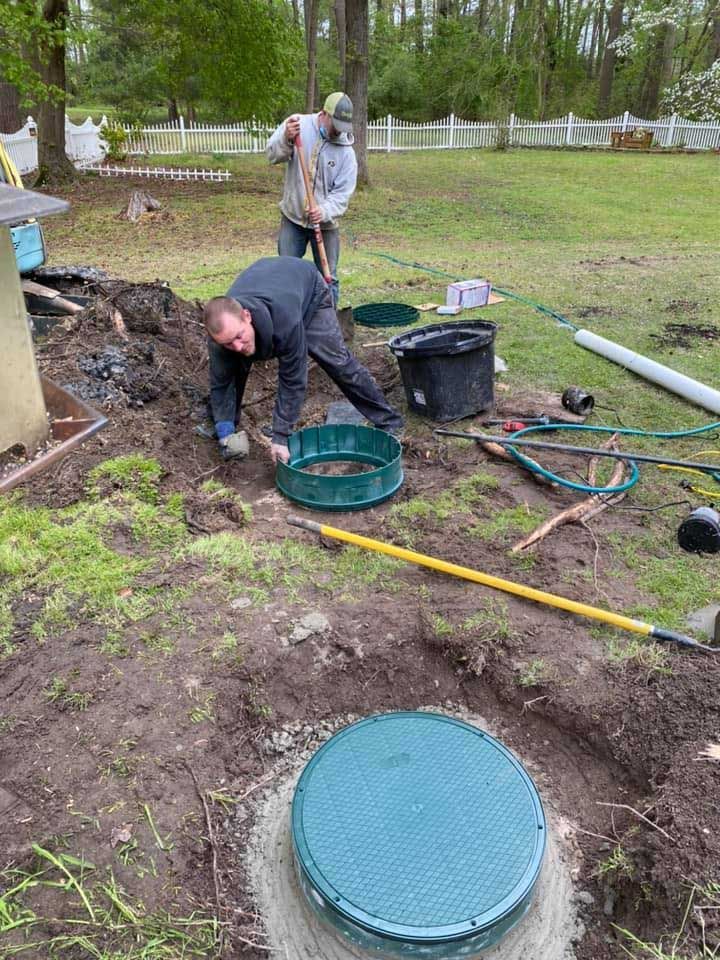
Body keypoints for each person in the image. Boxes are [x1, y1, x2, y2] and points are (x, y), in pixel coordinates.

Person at [203, 257, 403, 465]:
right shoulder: (221, 339)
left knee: (337, 361)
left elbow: (293, 379)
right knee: (234, 364)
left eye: (239, 336)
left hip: (309, 291)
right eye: (228, 343)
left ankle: (388, 420)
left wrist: (281, 436)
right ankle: (227, 427)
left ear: (247, 316)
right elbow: (222, 382)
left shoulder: (284, 321)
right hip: (273, 283)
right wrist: (225, 432)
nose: (236, 346)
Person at [266, 92, 357, 306]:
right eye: (335, 125)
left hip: (326, 225)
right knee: (286, 273)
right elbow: (272, 155)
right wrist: (286, 138)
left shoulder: (347, 154)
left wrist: (323, 211)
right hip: (293, 218)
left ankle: (329, 321)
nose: (338, 132)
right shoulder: (297, 125)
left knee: (328, 277)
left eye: (343, 127)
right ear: (324, 114)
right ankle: (288, 317)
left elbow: (342, 195)